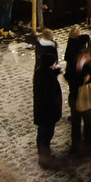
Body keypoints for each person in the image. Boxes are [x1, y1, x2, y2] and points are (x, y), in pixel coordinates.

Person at [66, 46, 91, 158]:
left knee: (88, 123)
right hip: (75, 98)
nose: (85, 58)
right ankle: (75, 145)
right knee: (75, 123)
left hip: (88, 99)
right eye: (83, 56)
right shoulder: (74, 65)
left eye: (87, 56)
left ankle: (88, 145)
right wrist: (77, 70)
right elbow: (68, 78)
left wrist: (90, 80)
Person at [33, 36, 64, 164]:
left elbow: (47, 75)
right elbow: (51, 94)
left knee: (41, 133)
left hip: (41, 111)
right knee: (47, 134)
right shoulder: (48, 78)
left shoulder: (40, 72)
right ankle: (44, 157)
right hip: (48, 112)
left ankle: (41, 151)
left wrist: (55, 73)